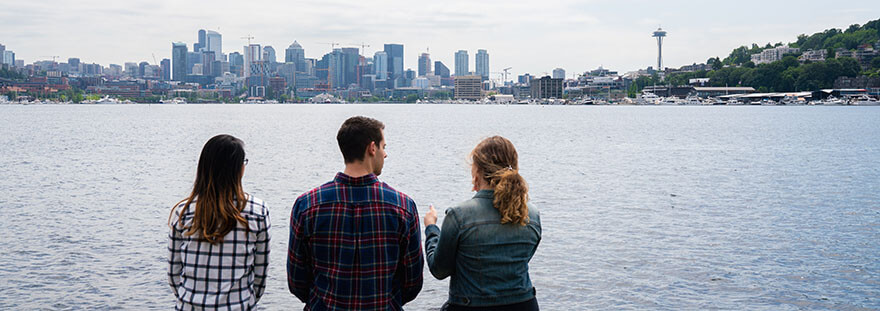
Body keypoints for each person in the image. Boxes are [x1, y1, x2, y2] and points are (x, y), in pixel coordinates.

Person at [288, 116, 424, 310]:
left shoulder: (307, 205)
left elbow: (297, 281)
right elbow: (412, 282)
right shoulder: (403, 206)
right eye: (384, 147)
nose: (385, 154)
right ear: (372, 148)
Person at [424, 136, 542, 311]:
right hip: (524, 304)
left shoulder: (459, 215)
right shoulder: (531, 214)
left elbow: (439, 270)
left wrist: (431, 228)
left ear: (477, 170)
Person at [168, 134, 271, 311]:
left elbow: (173, 273)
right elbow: (260, 277)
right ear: (239, 168)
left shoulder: (183, 212)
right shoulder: (258, 212)